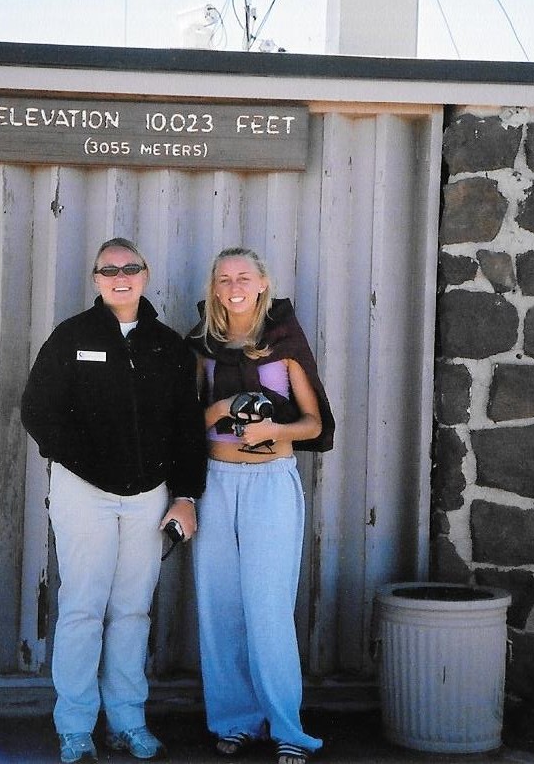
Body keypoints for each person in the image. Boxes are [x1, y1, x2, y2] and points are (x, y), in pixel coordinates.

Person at [21, 237, 206, 764]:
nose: (120, 277)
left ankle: (128, 720)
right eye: (109, 270)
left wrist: (186, 494)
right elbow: (38, 411)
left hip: (149, 498)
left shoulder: (169, 347)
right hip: (84, 493)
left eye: (130, 268)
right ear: (96, 279)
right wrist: (95, 465)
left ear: (145, 275)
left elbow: (187, 430)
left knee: (132, 611)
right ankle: (75, 727)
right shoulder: (71, 337)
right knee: (83, 606)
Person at [188, 247, 335, 764]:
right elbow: (184, 426)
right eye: (224, 277)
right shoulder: (202, 347)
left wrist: (274, 427)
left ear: (262, 283)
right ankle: (234, 720)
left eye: (243, 277)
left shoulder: (284, 344)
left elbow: (314, 424)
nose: (234, 286)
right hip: (217, 481)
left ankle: (288, 727)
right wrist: (222, 409)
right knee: (220, 607)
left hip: (271, 482)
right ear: (213, 286)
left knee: (268, 608)